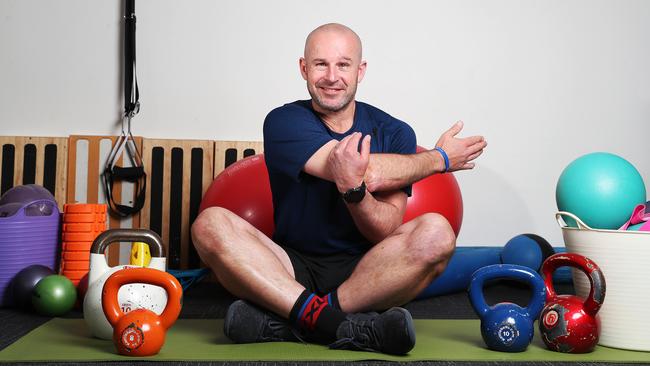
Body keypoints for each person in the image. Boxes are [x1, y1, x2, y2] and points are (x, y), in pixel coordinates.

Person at [191, 23, 487, 355]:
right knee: (209, 224)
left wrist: (355, 193)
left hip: (367, 273)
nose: (332, 76)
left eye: (343, 64)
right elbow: (363, 169)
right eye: (321, 64)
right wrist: (439, 159)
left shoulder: (395, 132)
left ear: (360, 71)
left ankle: (297, 320)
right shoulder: (283, 121)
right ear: (304, 68)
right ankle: (343, 327)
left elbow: (384, 229)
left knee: (438, 233)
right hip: (288, 267)